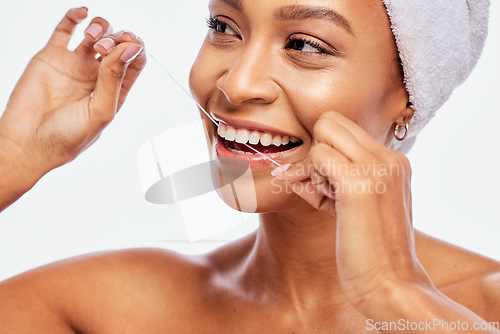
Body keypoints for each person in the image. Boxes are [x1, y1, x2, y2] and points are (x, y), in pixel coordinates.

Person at [0, 1, 499, 333]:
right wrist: (10, 159)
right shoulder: (108, 309)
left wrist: (394, 293)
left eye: (304, 45)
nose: (236, 85)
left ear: (409, 99)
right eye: (224, 28)